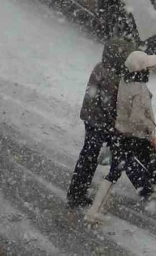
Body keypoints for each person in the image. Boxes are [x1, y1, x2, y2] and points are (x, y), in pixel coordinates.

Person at [84, 51, 156, 223]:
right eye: (149, 66)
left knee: (115, 173)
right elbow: (137, 118)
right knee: (154, 167)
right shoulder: (139, 89)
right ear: (141, 70)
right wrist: (152, 128)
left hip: (121, 134)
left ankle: (94, 211)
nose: (152, 69)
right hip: (135, 137)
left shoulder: (125, 80)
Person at [66, 37, 135, 208]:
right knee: (91, 155)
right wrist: (116, 121)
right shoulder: (110, 74)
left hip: (91, 119)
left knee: (89, 155)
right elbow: (107, 103)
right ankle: (77, 194)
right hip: (98, 121)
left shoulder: (101, 67)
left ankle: (77, 191)